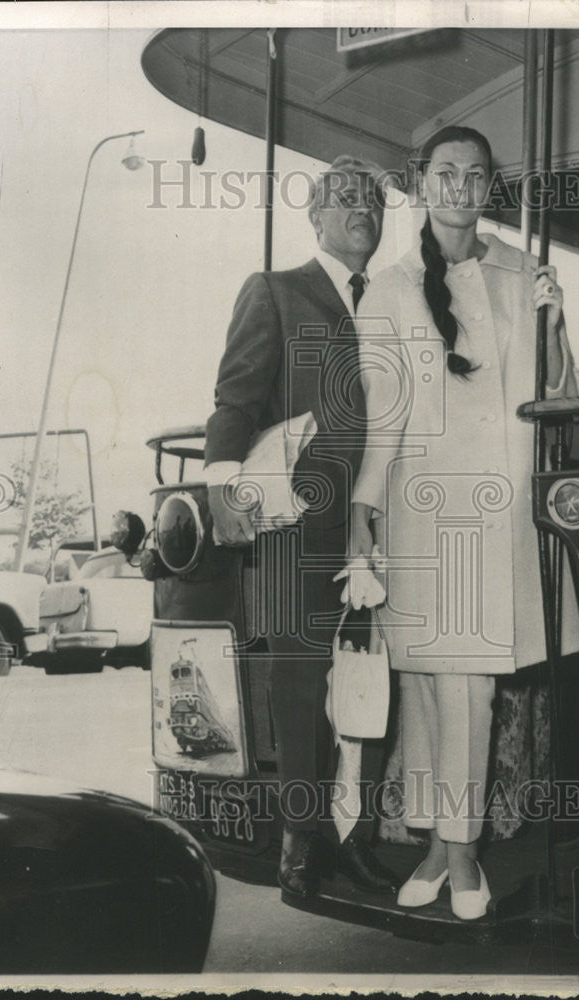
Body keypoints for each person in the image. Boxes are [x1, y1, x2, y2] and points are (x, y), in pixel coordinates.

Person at [349, 126, 579, 920]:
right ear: (422, 182)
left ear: (490, 187)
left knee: (470, 689)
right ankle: (438, 846)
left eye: (475, 174)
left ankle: (463, 851)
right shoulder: (388, 286)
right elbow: (383, 420)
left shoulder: (523, 273)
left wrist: (553, 323)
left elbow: (559, 399)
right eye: (444, 172)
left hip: (495, 509)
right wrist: (361, 520)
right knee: (422, 687)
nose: (459, 185)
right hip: (417, 509)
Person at [203, 156, 398, 899]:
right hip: (295, 526)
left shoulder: (395, 299)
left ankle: (354, 838)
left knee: (372, 682)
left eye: (373, 202)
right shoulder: (276, 291)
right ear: (313, 217)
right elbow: (235, 396)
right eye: (346, 200)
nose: (362, 213)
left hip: (374, 525)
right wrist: (222, 483)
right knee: (297, 683)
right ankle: (300, 842)